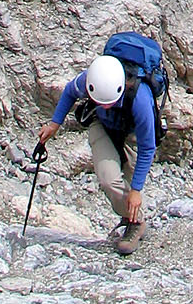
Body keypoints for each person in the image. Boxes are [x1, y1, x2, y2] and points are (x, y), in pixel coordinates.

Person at [37, 52, 158, 255]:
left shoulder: (141, 99)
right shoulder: (90, 79)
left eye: (108, 103)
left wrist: (136, 190)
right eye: (100, 101)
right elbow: (69, 92)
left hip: (133, 133)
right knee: (109, 180)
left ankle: (130, 219)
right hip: (102, 124)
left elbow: (147, 147)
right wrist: (54, 124)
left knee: (131, 184)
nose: (104, 106)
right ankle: (136, 222)